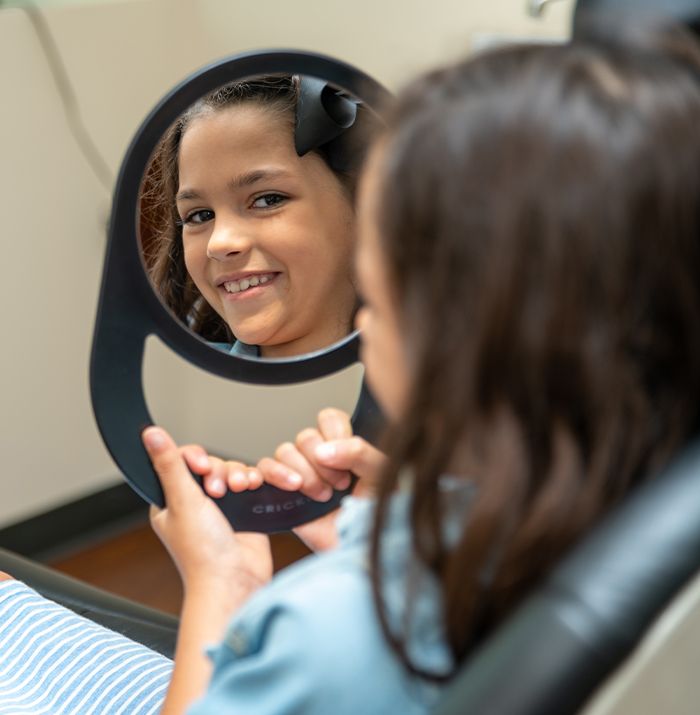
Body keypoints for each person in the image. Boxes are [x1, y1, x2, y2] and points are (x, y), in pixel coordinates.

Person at [4, 26, 700, 715]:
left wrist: (227, 584)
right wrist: (397, 536)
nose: (368, 319)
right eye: (196, 214)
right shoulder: (640, 520)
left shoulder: (319, 636)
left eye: (388, 282)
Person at [140, 75, 366, 358]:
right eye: (200, 215)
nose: (219, 244)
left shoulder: (431, 391)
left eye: (266, 200)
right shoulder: (174, 388)